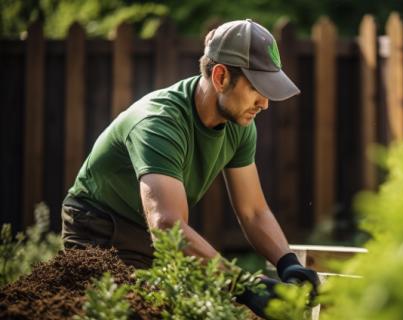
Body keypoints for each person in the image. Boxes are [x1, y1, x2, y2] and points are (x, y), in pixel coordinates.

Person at [61, 19, 319, 318]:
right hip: (101, 230)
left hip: (154, 238)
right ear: (221, 77)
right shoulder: (158, 122)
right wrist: (244, 285)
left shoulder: (240, 123)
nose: (265, 103)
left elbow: (253, 211)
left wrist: (288, 264)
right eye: (257, 89)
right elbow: (167, 226)